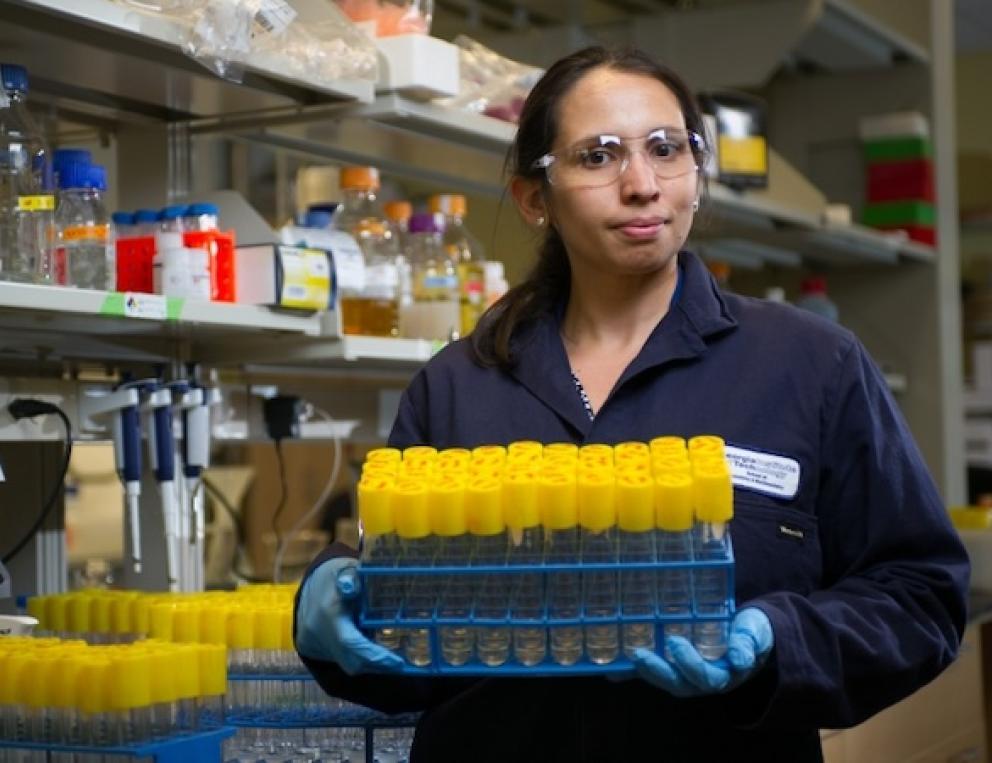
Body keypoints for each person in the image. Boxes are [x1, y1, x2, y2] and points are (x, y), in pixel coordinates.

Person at [294, 46, 969, 762]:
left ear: (696, 173)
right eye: (599, 156)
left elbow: (920, 596)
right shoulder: (458, 384)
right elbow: (405, 647)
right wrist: (332, 604)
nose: (642, 183)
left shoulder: (811, 365)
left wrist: (779, 637)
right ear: (535, 198)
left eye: (667, 149)